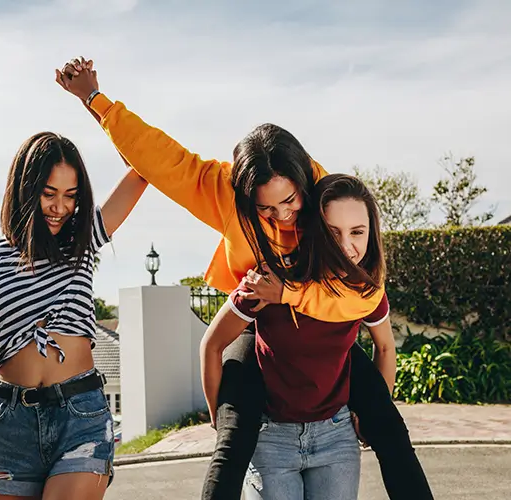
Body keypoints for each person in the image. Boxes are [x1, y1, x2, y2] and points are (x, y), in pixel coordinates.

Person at [56, 57, 434, 500]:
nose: (282, 215)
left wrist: (291, 292)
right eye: (266, 208)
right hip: (260, 325)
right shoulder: (224, 191)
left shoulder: (326, 196)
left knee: (390, 430)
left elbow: (361, 298)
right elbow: (163, 158)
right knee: (232, 442)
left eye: (290, 202)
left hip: (326, 330)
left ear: (303, 184)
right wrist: (93, 99)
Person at [0, 131, 148, 500]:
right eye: (49, 193)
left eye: (71, 196)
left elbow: (141, 171)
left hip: (80, 416)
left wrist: (92, 100)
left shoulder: (82, 239)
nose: (60, 207)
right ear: (24, 188)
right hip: (11, 424)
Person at [202, 173, 395, 499]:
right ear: (315, 231)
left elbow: (386, 347)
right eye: (333, 232)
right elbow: (211, 345)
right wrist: (218, 418)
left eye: (357, 232)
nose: (347, 246)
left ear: (370, 233)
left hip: (336, 438)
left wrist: (373, 411)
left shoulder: (364, 291)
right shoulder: (269, 280)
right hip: (271, 439)